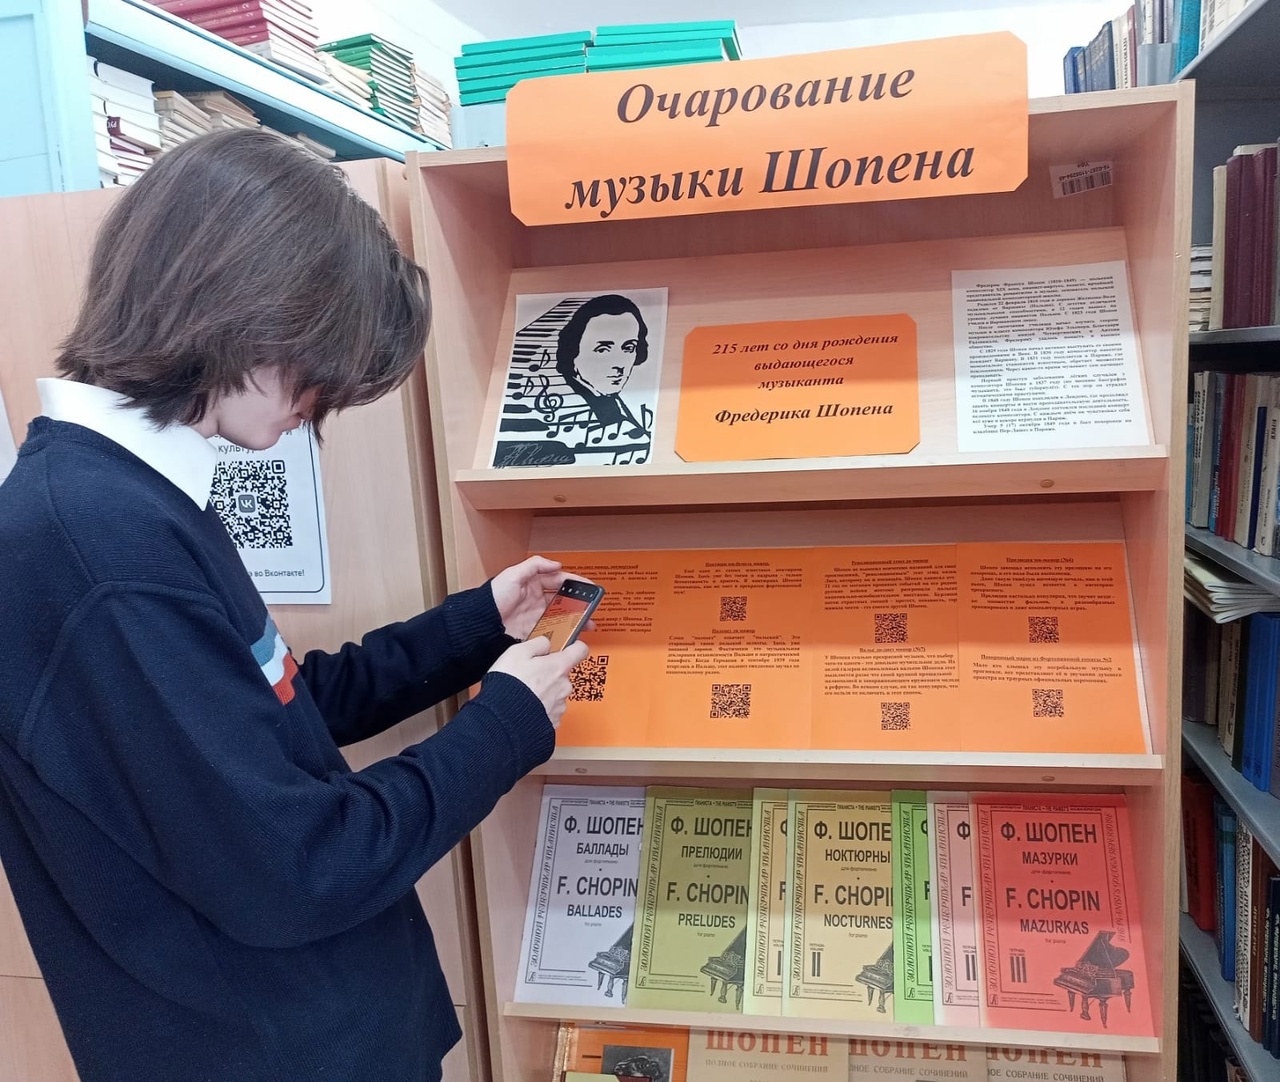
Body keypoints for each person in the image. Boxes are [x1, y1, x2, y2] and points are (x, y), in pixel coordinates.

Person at [0, 129, 587, 1082]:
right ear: (242, 308)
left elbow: (276, 707)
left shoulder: (128, 504)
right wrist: (507, 724)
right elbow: (302, 866)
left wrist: (474, 626)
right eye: (319, 370)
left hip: (311, 1032)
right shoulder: (98, 547)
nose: (315, 409)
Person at [554, 293, 652, 440]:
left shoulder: (613, 399)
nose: (619, 364)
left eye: (629, 348)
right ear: (572, 351)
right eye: (603, 350)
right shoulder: (566, 406)